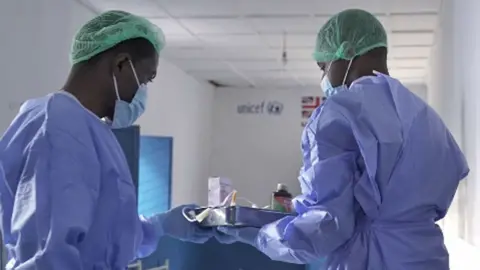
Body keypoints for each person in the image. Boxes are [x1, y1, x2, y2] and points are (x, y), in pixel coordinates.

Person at [217, 9, 469, 270]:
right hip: (428, 257)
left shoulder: (337, 114)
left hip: (373, 259)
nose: (324, 75)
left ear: (346, 52)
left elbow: (326, 226)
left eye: (323, 66)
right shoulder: (426, 117)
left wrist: (261, 236)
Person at [0, 10, 215, 269]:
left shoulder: (90, 130)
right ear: (121, 64)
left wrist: (160, 226)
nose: (142, 92)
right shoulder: (58, 127)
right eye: (146, 79)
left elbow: (104, 239)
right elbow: (49, 254)